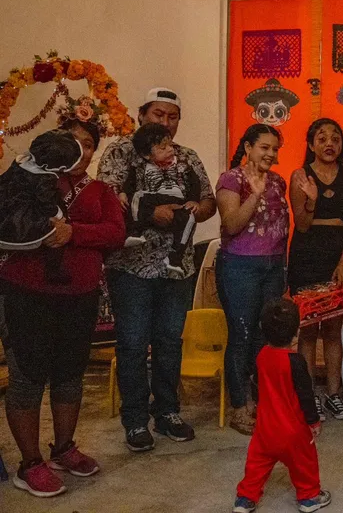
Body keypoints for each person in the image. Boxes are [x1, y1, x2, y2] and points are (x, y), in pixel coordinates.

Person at [0, 124, 124, 497]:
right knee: (27, 377)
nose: (81, 151)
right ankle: (30, 463)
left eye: (88, 145)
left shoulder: (101, 191)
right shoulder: (22, 180)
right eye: (74, 144)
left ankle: (64, 449)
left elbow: (115, 234)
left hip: (79, 295)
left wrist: (74, 232)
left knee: (70, 374)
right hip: (26, 293)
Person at [98, 87, 216, 452]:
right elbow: (107, 199)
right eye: (158, 114)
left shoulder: (187, 156)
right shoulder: (120, 152)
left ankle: (167, 412)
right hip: (131, 265)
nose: (166, 122)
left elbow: (210, 200)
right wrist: (151, 213)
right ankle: (135, 421)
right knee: (133, 344)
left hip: (176, 267)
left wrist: (197, 209)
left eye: (172, 116)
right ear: (141, 114)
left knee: (169, 341)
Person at [215, 124, 289, 435]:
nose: (271, 154)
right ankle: (239, 407)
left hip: (272, 267)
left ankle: (262, 403)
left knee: (264, 337)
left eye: (275, 148)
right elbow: (232, 224)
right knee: (242, 336)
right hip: (239, 267)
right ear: (248, 147)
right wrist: (254, 195)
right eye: (264, 147)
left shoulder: (278, 181)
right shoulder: (231, 179)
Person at [288, 119, 343, 422]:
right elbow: (302, 225)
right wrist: (312, 200)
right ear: (310, 144)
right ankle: (310, 398)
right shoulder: (300, 176)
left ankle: (334, 395)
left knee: (333, 329)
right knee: (307, 331)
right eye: (322, 138)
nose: (330, 143)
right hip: (306, 254)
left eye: (335, 138)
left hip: (337, 253)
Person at [232, 299, 330, 513]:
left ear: (263, 329)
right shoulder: (295, 362)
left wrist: (258, 407)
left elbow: (256, 385)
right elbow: (306, 395)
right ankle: (309, 497)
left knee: (256, 464)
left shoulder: (262, 356)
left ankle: (245, 499)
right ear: (296, 332)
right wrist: (313, 421)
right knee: (306, 462)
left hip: (265, 430)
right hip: (293, 432)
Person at [0, 131, 82, 283]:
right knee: (53, 230)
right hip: (22, 213)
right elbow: (46, 201)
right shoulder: (44, 178)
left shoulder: (22, 162)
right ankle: (54, 271)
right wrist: (58, 216)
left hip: (6, 206)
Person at [122, 122, 201, 274]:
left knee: (189, 217)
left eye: (170, 145)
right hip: (155, 197)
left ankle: (175, 257)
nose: (170, 150)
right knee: (137, 197)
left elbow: (195, 183)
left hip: (178, 200)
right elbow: (130, 184)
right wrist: (123, 193)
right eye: (163, 148)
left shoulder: (183, 165)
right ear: (147, 155)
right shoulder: (140, 167)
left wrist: (193, 200)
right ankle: (135, 232)